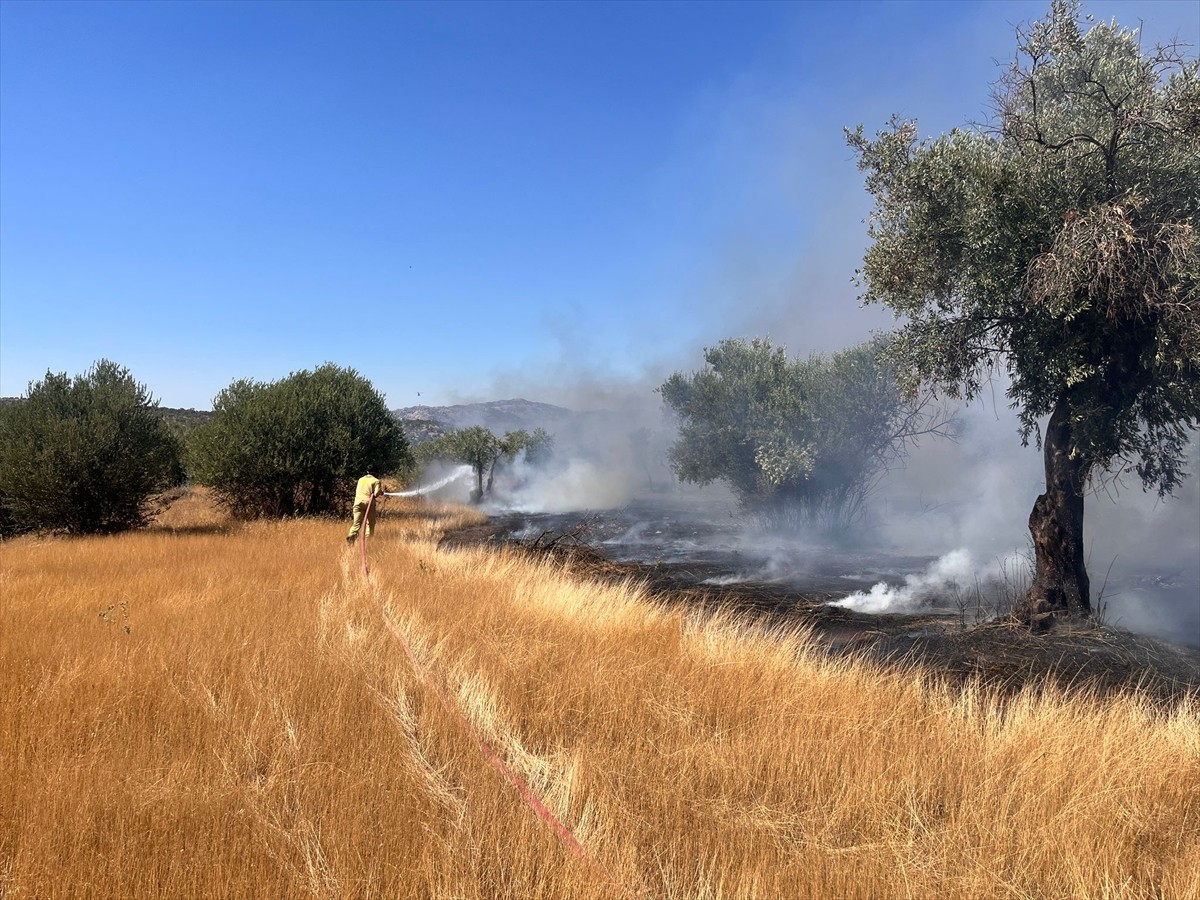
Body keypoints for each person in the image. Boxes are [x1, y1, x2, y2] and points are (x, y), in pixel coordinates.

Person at [346, 469, 387, 544]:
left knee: (356, 523)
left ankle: (351, 535)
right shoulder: (376, 481)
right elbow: (376, 493)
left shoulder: (360, 479)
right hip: (369, 503)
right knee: (370, 523)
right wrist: (381, 492)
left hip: (358, 503)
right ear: (375, 473)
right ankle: (368, 541)